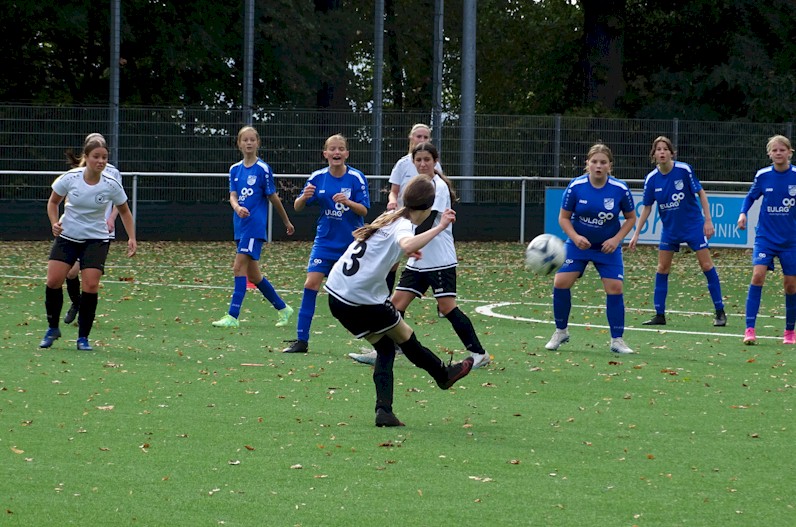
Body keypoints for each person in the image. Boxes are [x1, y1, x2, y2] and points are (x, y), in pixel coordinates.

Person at [324, 175, 474, 427]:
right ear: (428, 208)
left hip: (337, 296)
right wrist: (440, 226)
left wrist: (403, 253)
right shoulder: (404, 224)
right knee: (406, 338)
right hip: (360, 300)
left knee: (385, 347)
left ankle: (384, 411)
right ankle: (443, 375)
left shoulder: (390, 216)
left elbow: (387, 253)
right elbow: (405, 243)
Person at [349, 142, 490, 368]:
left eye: (427, 159)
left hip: (439, 260)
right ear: (413, 162)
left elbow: (428, 223)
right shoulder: (416, 185)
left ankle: (479, 353)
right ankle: (387, 349)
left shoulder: (438, 187)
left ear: (436, 162)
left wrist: (403, 242)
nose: (423, 164)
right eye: (418, 160)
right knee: (396, 304)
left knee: (446, 307)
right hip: (418, 258)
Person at [39, 135, 137, 351]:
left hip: (96, 239)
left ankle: (83, 338)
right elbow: (53, 202)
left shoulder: (111, 184)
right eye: (96, 157)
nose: (101, 161)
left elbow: (124, 211)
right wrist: (54, 223)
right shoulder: (70, 178)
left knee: (90, 285)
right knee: (54, 281)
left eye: (104, 157)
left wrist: (131, 237)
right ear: (86, 157)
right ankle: (52, 328)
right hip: (68, 236)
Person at [544, 143, 637, 354]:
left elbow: (631, 218)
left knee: (615, 288)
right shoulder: (576, 187)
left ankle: (617, 340)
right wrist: (575, 237)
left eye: (603, 162)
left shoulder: (620, 189)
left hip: (607, 248)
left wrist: (616, 239)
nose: (598, 166)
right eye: (594, 162)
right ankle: (561, 331)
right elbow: (563, 218)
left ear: (609, 166)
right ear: (587, 164)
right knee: (561, 282)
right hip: (578, 246)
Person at [282, 134, 370, 353]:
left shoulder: (356, 178)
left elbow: (364, 210)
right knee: (310, 284)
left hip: (350, 244)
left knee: (356, 292)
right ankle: (301, 340)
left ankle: (376, 340)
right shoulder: (317, 177)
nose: (337, 152)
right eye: (332, 149)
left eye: (341, 149)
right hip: (324, 242)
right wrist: (303, 198)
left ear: (347, 154)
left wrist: (348, 202)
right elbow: (298, 206)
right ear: (326, 154)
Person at [628, 136, 726, 327]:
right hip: (670, 230)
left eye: (665, 149)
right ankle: (659, 314)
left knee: (706, 265)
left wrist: (708, 220)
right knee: (662, 268)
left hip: (693, 226)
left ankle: (720, 311)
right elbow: (646, 207)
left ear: (672, 153)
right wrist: (636, 233)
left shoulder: (683, 170)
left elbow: (701, 193)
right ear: (654, 154)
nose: (662, 152)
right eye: (658, 149)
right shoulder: (651, 179)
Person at [212, 126, 295, 329]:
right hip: (240, 224)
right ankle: (283, 308)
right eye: (245, 140)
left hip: (254, 226)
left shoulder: (263, 169)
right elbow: (233, 195)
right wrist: (237, 206)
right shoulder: (234, 169)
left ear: (258, 143)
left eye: (252, 140)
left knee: (238, 267)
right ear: (239, 144)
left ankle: (232, 316)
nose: (249, 143)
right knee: (254, 275)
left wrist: (286, 221)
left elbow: (272, 196)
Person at [737, 135, 796, 345]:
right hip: (765, 237)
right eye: (774, 150)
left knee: (791, 286)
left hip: (791, 240)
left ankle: (790, 331)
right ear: (769, 154)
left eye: (782, 150)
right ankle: (749, 329)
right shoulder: (763, 176)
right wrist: (743, 213)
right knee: (757, 276)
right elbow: (751, 196)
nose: (778, 153)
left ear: (790, 152)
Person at [62, 133, 123, 326]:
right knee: (70, 273)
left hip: (99, 232)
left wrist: (112, 219)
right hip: (76, 230)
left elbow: (120, 202)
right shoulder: (78, 172)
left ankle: (85, 313)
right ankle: (77, 303)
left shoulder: (112, 173)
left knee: (88, 277)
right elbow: (67, 197)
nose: (100, 160)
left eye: (103, 155)